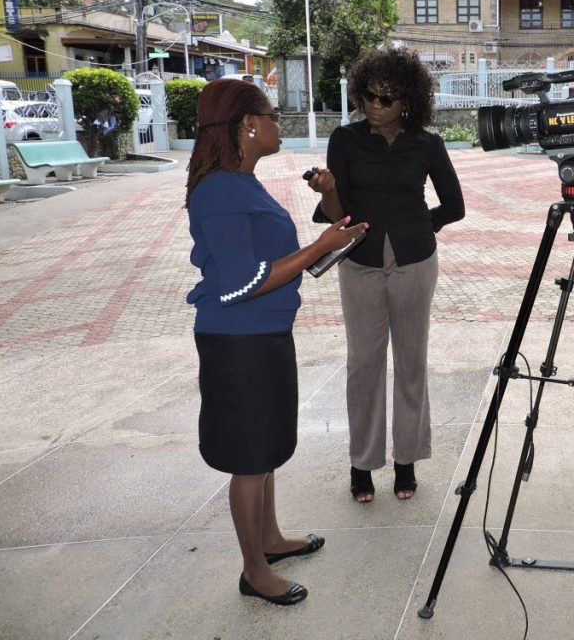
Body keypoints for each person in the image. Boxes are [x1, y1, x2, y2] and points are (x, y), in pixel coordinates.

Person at [185, 79, 366, 606]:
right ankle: (254, 570)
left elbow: (269, 265)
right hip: (237, 343)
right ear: (246, 125)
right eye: (268, 114)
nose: (276, 122)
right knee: (248, 457)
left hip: (264, 336)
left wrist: (331, 240)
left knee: (263, 448)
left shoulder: (243, 182)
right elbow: (239, 284)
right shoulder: (219, 190)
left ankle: (269, 538)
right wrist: (318, 248)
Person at [309, 46, 465, 504]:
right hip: (360, 261)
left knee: (411, 364)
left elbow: (454, 207)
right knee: (364, 364)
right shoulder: (345, 139)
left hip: (415, 263)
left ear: (407, 101)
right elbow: (334, 216)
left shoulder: (427, 144)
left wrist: (420, 226)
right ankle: (363, 464)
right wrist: (331, 190)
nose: (375, 106)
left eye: (386, 99)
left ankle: (406, 460)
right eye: (369, 97)